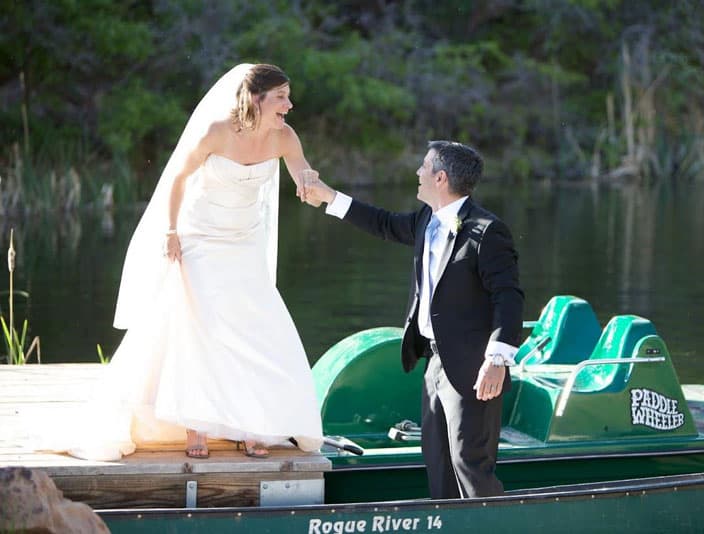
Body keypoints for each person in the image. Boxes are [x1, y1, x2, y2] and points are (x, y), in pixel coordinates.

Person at [66, 63, 324, 461]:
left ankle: (252, 426)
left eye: (288, 97)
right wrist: (171, 231)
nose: (289, 105)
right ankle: (196, 426)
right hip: (201, 238)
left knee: (255, 328)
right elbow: (177, 178)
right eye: (281, 97)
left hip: (244, 243)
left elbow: (302, 172)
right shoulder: (216, 132)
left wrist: (309, 184)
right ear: (257, 99)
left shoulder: (284, 137)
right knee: (199, 327)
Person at [304, 140, 524, 498]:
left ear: (440, 178)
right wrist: (330, 197)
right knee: (437, 461)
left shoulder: (487, 231)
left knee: (469, 463)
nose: (416, 173)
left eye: (423, 167)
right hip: (434, 362)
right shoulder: (427, 219)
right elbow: (384, 223)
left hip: (472, 366)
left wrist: (497, 359)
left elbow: (509, 297)